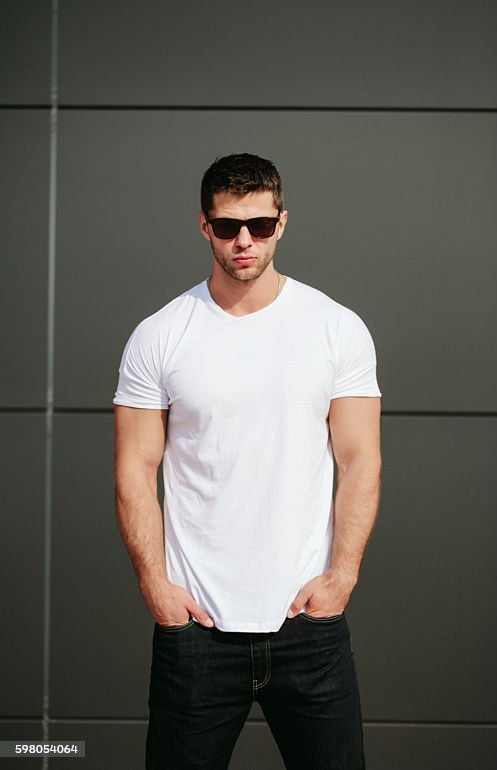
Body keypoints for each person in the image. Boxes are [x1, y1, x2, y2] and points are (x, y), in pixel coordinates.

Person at [113, 153, 381, 770]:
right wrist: (156, 587)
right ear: (203, 226)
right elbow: (134, 467)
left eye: (259, 226)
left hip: (308, 628)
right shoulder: (160, 335)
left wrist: (342, 577)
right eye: (229, 225)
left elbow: (360, 458)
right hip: (196, 635)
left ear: (282, 223)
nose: (244, 241)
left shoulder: (336, 328)